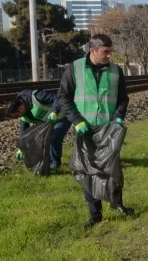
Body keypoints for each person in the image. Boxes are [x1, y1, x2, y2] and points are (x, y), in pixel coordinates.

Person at [57, 34, 133, 227]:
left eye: (110, 51)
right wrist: (76, 120)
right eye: (105, 52)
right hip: (85, 128)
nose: (109, 55)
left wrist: (118, 117)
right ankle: (95, 214)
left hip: (109, 128)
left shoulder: (116, 70)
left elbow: (123, 98)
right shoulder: (74, 69)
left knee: (112, 168)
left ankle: (117, 202)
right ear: (93, 51)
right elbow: (63, 97)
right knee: (89, 170)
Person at [5, 88, 71, 172]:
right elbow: (24, 133)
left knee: (54, 139)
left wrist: (55, 111)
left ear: (20, 108)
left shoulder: (37, 96)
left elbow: (57, 98)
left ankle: (55, 164)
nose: (19, 117)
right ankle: (48, 163)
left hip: (63, 115)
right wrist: (21, 148)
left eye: (17, 115)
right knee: (43, 141)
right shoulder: (24, 116)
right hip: (50, 123)